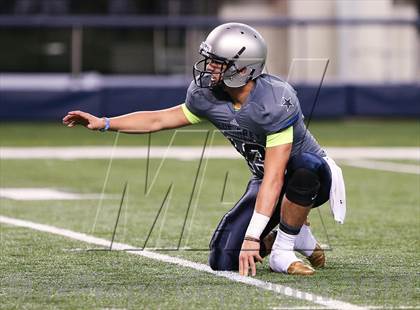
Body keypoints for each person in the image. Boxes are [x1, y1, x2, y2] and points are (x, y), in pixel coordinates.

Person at [63, 22, 345, 277]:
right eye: (209, 59)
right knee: (223, 259)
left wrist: (251, 238)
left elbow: (275, 177)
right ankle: (299, 235)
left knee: (306, 167)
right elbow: (159, 118)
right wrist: (105, 122)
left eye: (217, 62)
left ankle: (283, 251)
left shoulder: (273, 100)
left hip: (310, 178)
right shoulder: (207, 96)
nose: (208, 67)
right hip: (267, 179)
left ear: (244, 68)